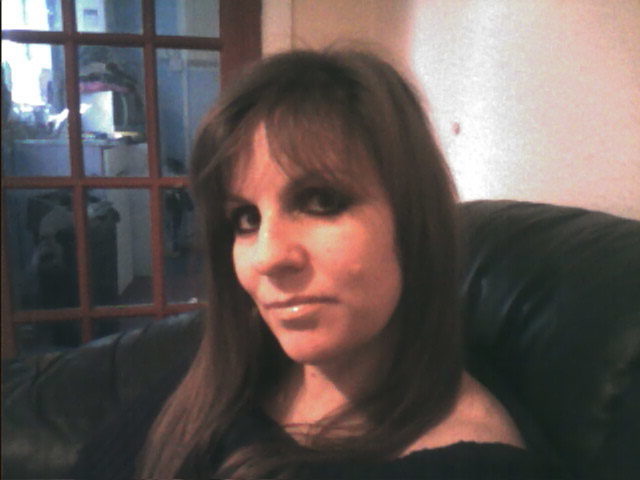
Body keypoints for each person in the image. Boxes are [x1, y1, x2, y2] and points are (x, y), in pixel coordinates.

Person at [75, 49, 564, 479]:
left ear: (414, 222)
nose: (267, 257)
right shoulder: (233, 377)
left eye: (321, 202)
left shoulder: (473, 465)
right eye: (246, 218)